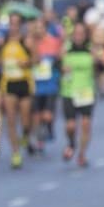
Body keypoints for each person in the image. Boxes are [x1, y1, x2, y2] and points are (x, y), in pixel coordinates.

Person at [0, 13, 38, 168]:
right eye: (11, 23)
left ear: (20, 26)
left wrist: (26, 62)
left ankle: (26, 135)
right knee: (10, 120)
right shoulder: (3, 42)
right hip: (9, 84)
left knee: (26, 121)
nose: (13, 26)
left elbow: (37, 58)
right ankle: (16, 153)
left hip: (24, 83)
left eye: (16, 23)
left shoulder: (26, 41)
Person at [60, 22, 98, 168]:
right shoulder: (66, 49)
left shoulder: (91, 49)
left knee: (85, 124)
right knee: (70, 126)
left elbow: (102, 66)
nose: (78, 36)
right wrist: (61, 67)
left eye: (81, 33)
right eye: (76, 33)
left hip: (86, 91)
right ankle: (71, 143)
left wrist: (97, 61)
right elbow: (55, 65)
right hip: (69, 91)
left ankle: (82, 154)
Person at [30, 17, 62, 153]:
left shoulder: (53, 42)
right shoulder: (31, 43)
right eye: (35, 27)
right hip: (35, 85)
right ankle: (39, 141)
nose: (38, 30)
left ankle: (48, 127)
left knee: (47, 115)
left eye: (40, 27)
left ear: (45, 28)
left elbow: (60, 58)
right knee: (36, 115)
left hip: (50, 84)